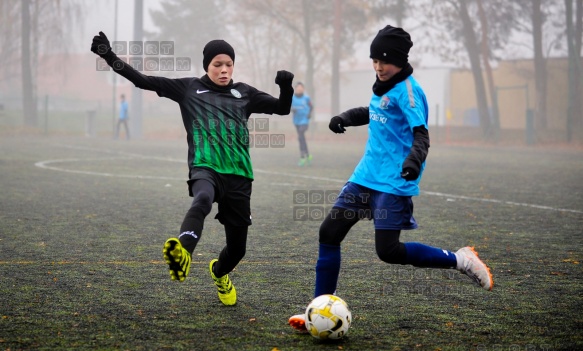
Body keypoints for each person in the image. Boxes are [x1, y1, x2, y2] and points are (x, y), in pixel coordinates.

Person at [288, 25, 493, 331]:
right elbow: (373, 112)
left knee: (388, 252)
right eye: (374, 60)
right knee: (329, 233)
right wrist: (344, 117)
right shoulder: (382, 85)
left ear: (399, 60)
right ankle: (318, 312)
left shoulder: (409, 91)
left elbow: (421, 136)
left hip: (394, 182)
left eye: (384, 61)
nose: (379, 67)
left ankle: (461, 260)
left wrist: (412, 161)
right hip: (365, 176)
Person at [91, 31, 294, 306]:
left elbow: (282, 108)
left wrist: (286, 86)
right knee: (202, 199)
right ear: (206, 66)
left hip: (239, 176)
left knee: (237, 250)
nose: (224, 70)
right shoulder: (189, 89)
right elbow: (142, 81)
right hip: (205, 167)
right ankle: (183, 253)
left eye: (228, 65)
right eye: (217, 65)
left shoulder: (245, 92)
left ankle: (219, 273)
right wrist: (109, 56)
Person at [291, 82, 313, 166]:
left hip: (304, 121)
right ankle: (307, 154)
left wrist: (309, 114)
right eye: (298, 88)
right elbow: (289, 107)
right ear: (296, 89)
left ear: (303, 89)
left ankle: (302, 157)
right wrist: (292, 109)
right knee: (301, 138)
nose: (299, 89)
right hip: (296, 121)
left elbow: (311, 106)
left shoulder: (306, 98)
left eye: (301, 88)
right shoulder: (292, 98)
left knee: (300, 134)